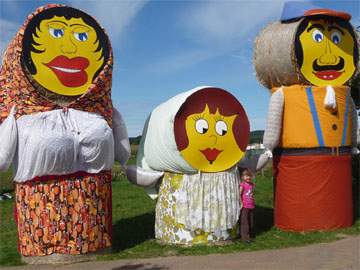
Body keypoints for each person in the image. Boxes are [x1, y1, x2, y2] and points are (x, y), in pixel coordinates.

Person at [239, 168, 255, 243]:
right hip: (245, 206)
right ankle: (245, 238)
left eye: (249, 176)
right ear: (242, 177)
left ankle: (250, 235)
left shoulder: (251, 184)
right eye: (246, 176)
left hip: (251, 205)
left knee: (250, 221)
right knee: (244, 222)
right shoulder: (243, 185)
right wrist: (241, 202)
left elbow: (252, 194)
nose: (248, 177)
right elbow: (239, 194)